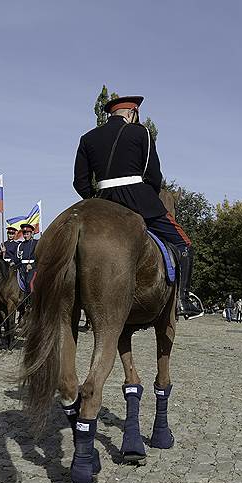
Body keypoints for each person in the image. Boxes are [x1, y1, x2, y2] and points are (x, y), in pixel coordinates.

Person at [73, 95, 200, 317]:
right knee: (184, 244)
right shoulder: (141, 132)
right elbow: (153, 176)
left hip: (102, 200)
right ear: (132, 113)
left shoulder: (87, 138)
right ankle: (182, 300)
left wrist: (97, 201)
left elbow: (80, 182)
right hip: (140, 199)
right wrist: (147, 198)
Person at [15, 223, 38, 296]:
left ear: (31, 233)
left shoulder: (36, 243)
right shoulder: (20, 245)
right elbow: (17, 259)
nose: (25, 235)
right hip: (22, 267)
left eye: (27, 233)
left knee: (29, 282)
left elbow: (40, 258)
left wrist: (32, 266)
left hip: (33, 268)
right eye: (24, 234)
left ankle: (30, 302)